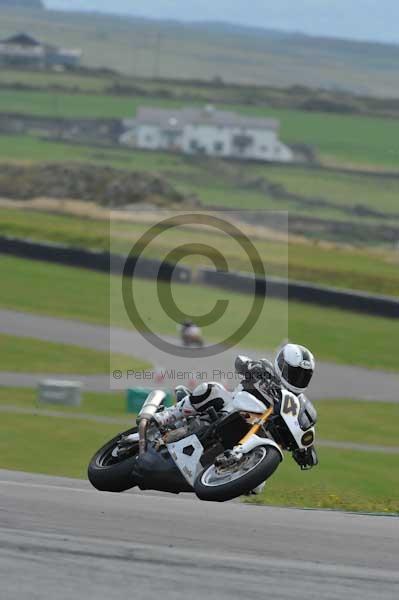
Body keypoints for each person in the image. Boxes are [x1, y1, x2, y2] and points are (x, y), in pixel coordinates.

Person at [154, 342, 315, 426]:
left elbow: (303, 428)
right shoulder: (267, 371)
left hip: (259, 430)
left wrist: (306, 449)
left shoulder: (298, 403)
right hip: (233, 406)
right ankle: (168, 415)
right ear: (282, 364)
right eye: (295, 373)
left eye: (303, 375)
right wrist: (251, 367)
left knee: (257, 487)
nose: (298, 378)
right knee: (210, 389)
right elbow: (240, 361)